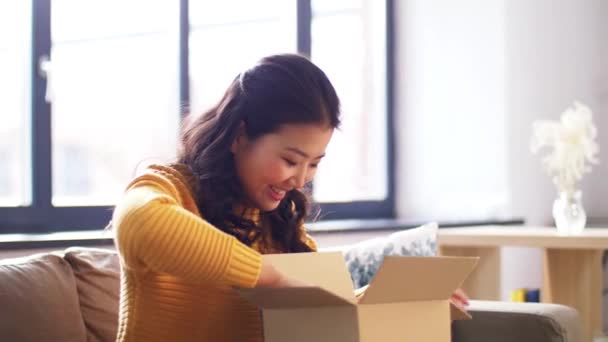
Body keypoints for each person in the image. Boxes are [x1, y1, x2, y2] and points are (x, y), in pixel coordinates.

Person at [112, 53, 468, 342]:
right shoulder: (168, 189)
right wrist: (271, 277)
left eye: (314, 163)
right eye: (290, 160)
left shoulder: (281, 228)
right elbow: (142, 225)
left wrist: (404, 304)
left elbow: (327, 316)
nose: (300, 179)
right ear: (239, 136)